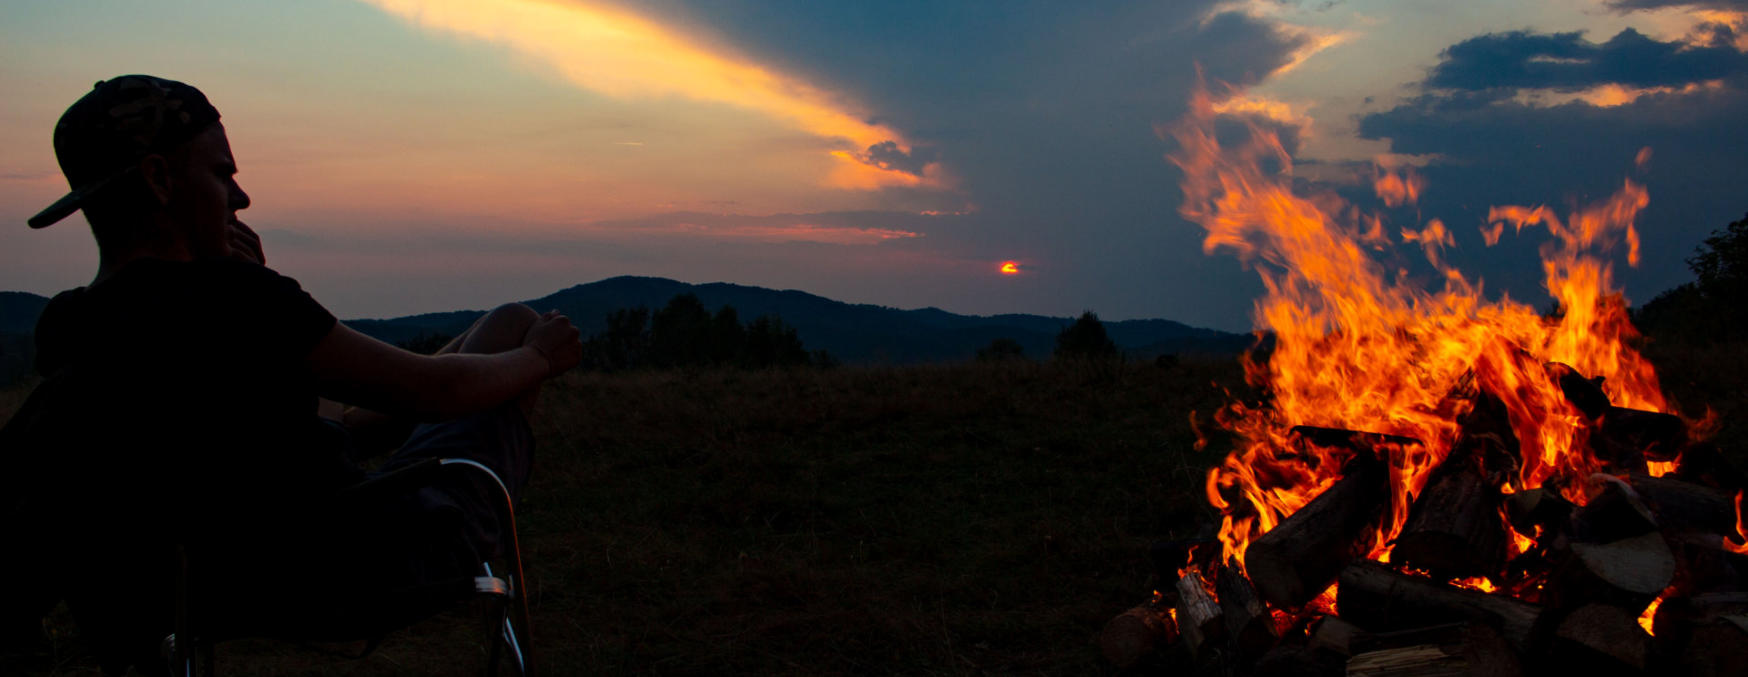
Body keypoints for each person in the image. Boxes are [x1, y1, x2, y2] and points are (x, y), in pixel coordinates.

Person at [0, 75, 582, 674]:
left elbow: (312, 425)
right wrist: (541, 357)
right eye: (222, 173)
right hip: (352, 566)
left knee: (502, 324)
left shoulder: (73, 330)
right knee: (517, 325)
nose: (240, 197)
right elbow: (437, 392)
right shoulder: (239, 301)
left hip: (195, 585)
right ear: (159, 178)